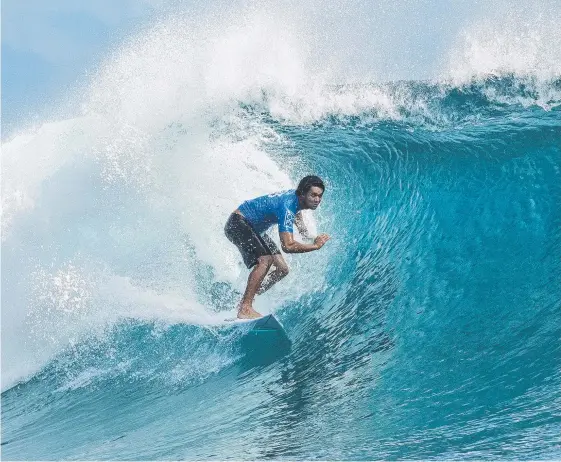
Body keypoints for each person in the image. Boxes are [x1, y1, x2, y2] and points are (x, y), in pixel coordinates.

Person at [224, 175, 330, 319]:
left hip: (254, 229)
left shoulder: (296, 198)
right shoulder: (287, 206)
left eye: (320, 196)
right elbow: (288, 245)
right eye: (313, 195)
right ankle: (245, 307)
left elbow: (297, 213)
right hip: (237, 224)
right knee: (265, 260)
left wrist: (306, 234)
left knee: (282, 269)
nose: (317, 200)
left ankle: (246, 299)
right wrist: (315, 245)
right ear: (303, 194)